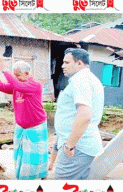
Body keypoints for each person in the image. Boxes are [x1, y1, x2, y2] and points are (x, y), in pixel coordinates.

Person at [0, 58, 48, 180]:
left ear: (27, 73)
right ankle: (23, 177)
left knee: (35, 158)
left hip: (35, 127)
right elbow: (1, 86)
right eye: (15, 75)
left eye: (18, 75)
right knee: (21, 156)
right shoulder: (18, 85)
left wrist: (4, 70)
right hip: (21, 127)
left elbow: (16, 84)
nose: (16, 78)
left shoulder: (35, 84)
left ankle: (38, 178)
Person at [54, 48, 104, 180]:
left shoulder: (81, 80)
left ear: (79, 64)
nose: (62, 66)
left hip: (77, 148)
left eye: (67, 62)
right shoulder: (88, 79)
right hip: (80, 146)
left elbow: (84, 115)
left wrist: (70, 145)